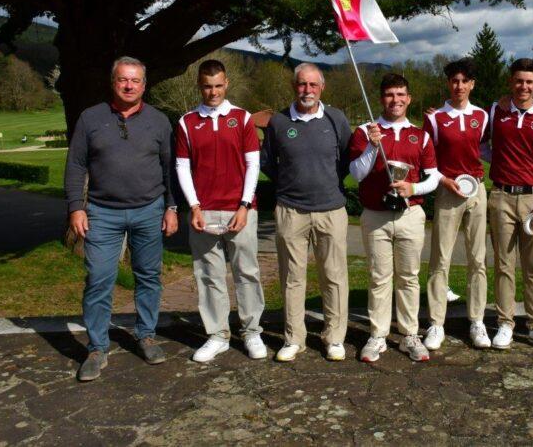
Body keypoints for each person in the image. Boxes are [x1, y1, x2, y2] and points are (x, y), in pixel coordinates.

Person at [65, 56, 178, 382]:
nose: (129, 86)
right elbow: (75, 165)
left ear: (144, 85)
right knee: (99, 278)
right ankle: (97, 348)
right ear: (113, 82)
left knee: (148, 276)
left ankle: (146, 335)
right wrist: (76, 207)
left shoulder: (159, 121)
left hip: (149, 210)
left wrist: (172, 207)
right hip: (102, 213)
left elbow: (170, 168)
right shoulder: (91, 118)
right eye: (123, 80)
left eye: (135, 80)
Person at [175, 59, 266, 363]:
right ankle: (217, 335)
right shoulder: (187, 122)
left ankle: (251, 332)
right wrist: (194, 206)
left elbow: (253, 164)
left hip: (240, 210)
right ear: (199, 86)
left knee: (247, 273)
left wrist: (244, 205)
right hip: (204, 212)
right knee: (208, 275)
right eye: (207, 86)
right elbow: (182, 167)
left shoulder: (242, 118)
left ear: (226, 84)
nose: (213, 92)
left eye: (218, 86)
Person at [261, 63, 352, 362]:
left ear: (322, 87)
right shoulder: (278, 121)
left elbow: (347, 159)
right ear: (294, 86)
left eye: (313, 85)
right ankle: (294, 338)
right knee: (292, 278)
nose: (307, 90)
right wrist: (291, 184)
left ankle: (334, 338)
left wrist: (327, 182)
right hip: (291, 210)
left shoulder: (336, 119)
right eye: (302, 84)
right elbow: (268, 163)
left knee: (334, 276)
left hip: (331, 209)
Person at [349, 73, 441, 362]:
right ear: (381, 99)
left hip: (410, 214)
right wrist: (372, 146)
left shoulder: (420, 135)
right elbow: (356, 174)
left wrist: (413, 188)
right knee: (379, 277)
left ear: (409, 99)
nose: (395, 100)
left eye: (401, 94)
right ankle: (378, 335)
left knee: (409, 277)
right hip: (375, 215)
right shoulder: (365, 132)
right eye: (390, 94)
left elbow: (433, 177)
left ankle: (409, 334)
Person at [485, 58, 533, 351]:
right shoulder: (496, 111)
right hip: (501, 197)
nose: (523, 86)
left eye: (529, 81)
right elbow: (476, 142)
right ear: (510, 82)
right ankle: (505, 323)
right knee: (504, 264)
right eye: (518, 81)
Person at [422, 57, 491, 350]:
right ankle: (436, 323)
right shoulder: (435, 118)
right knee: (440, 259)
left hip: (477, 190)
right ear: (448, 84)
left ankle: (477, 321)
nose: (459, 86)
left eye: (464, 81)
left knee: (478, 259)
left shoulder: (482, 116)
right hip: (448, 191)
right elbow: (427, 160)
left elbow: (485, 149)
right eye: (454, 81)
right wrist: (443, 180)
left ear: (472, 84)